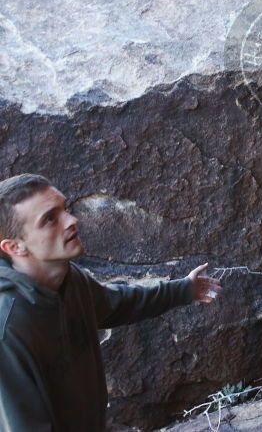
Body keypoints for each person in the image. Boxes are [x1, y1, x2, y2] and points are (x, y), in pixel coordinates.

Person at [0, 173, 222, 431]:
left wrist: (183, 290)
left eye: (65, 209)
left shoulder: (69, 280)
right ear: (14, 247)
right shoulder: (8, 328)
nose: (72, 220)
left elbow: (115, 303)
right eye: (50, 219)